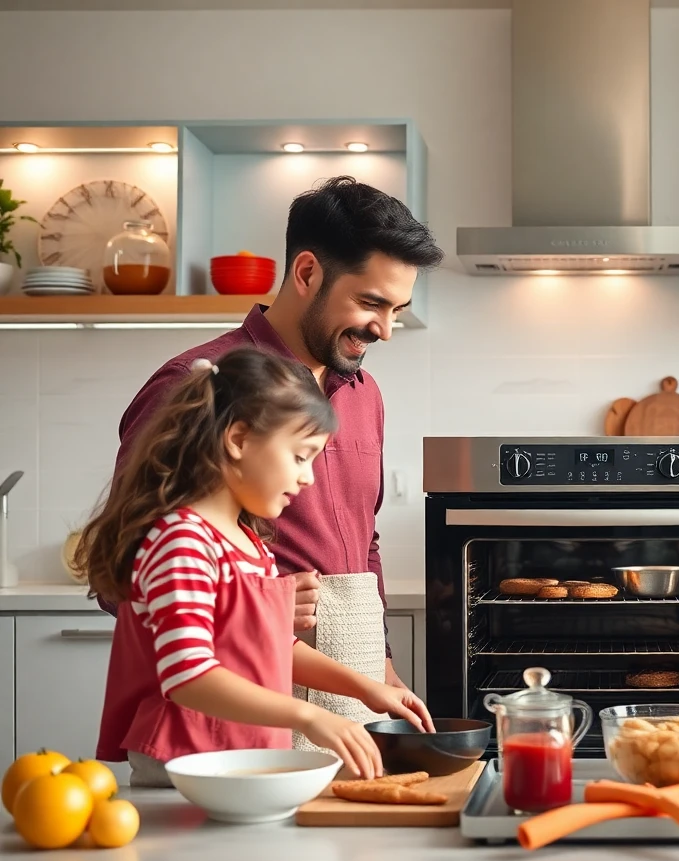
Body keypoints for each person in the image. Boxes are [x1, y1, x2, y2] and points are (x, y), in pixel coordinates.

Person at [97, 176, 443, 696]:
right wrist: (254, 604)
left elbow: (363, 542)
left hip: (354, 684)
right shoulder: (195, 384)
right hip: (236, 690)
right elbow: (120, 571)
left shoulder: (364, 394)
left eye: (397, 310)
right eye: (372, 303)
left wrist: (382, 663)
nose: (386, 330)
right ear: (307, 272)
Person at [78, 348, 435, 786]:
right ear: (239, 440)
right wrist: (309, 716)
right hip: (185, 767)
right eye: (301, 456)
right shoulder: (182, 541)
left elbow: (275, 646)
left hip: (239, 760)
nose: (308, 478)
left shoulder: (249, 541)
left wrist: (368, 688)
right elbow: (188, 676)